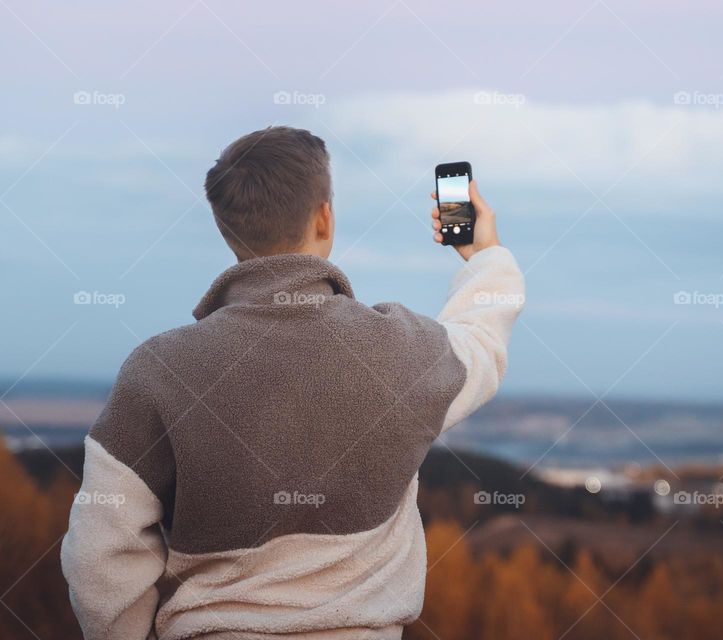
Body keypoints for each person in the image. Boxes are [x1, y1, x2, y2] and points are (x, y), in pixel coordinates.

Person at [61, 126, 524, 639]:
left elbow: (99, 554)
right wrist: (485, 255)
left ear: (225, 228)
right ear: (324, 216)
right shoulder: (401, 350)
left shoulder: (158, 369)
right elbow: (481, 340)